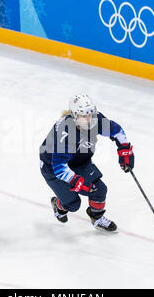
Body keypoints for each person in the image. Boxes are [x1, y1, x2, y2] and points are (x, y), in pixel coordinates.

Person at [39, 94, 134, 232]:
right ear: (74, 115)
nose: (89, 119)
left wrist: (125, 150)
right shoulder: (65, 132)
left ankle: (97, 218)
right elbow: (59, 167)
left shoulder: (96, 120)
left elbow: (117, 131)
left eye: (91, 113)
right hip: (51, 167)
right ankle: (58, 204)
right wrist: (77, 182)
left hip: (79, 161)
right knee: (73, 204)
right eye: (84, 116)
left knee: (100, 190)